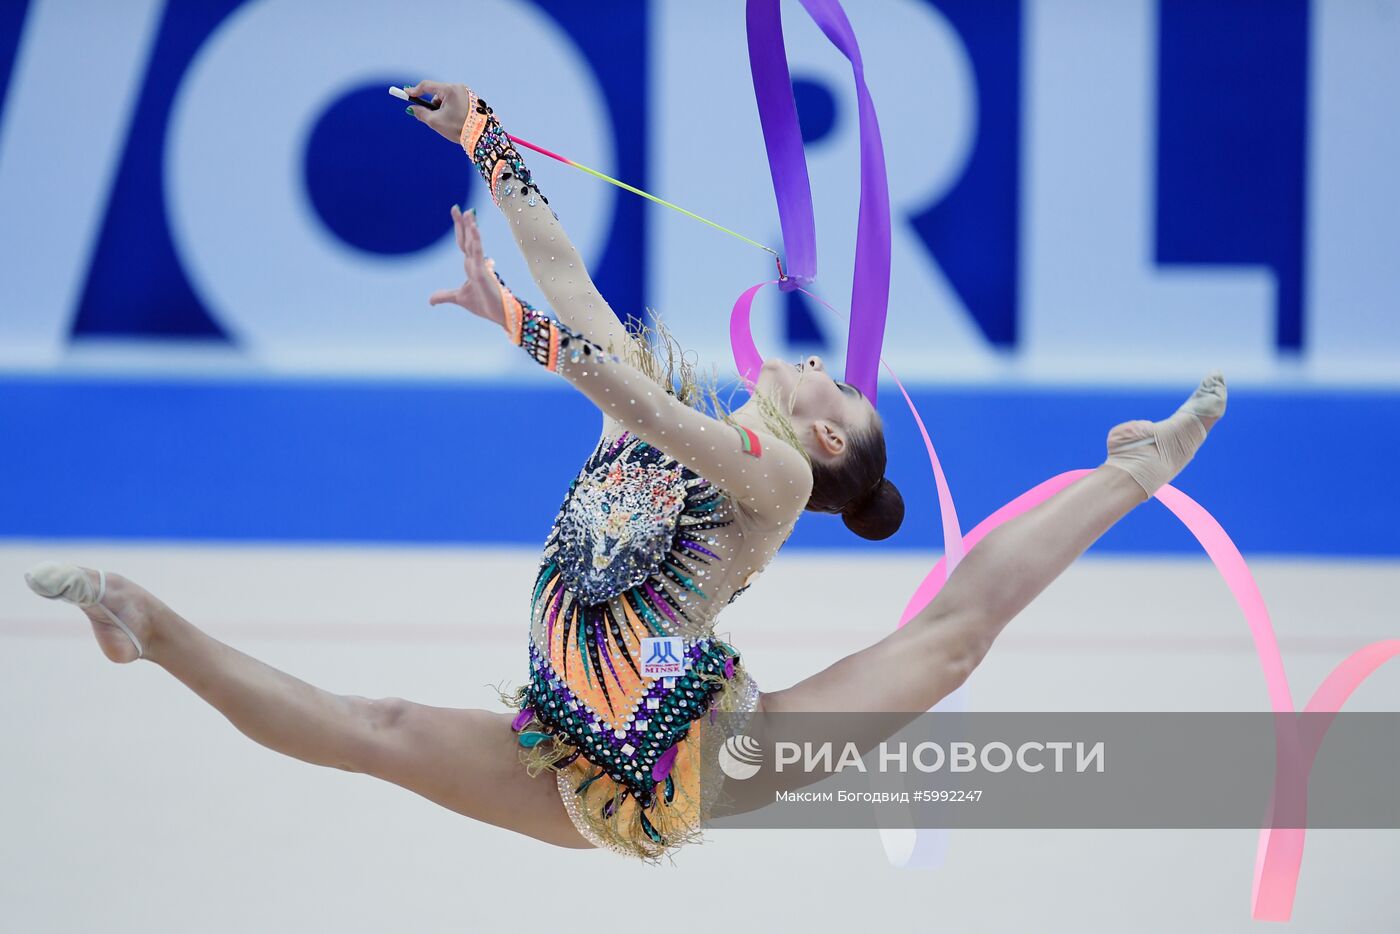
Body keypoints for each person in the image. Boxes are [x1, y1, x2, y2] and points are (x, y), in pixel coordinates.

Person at [24, 79, 1226, 864]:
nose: (816, 358)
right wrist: (489, 141)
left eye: (835, 382)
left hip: (694, 746)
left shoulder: (774, 478)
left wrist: (537, 345)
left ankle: (1135, 470)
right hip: (560, 732)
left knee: (953, 636)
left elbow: (634, 394)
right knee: (375, 727)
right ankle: (149, 623)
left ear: (822, 437)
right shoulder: (662, 402)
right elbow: (571, 285)